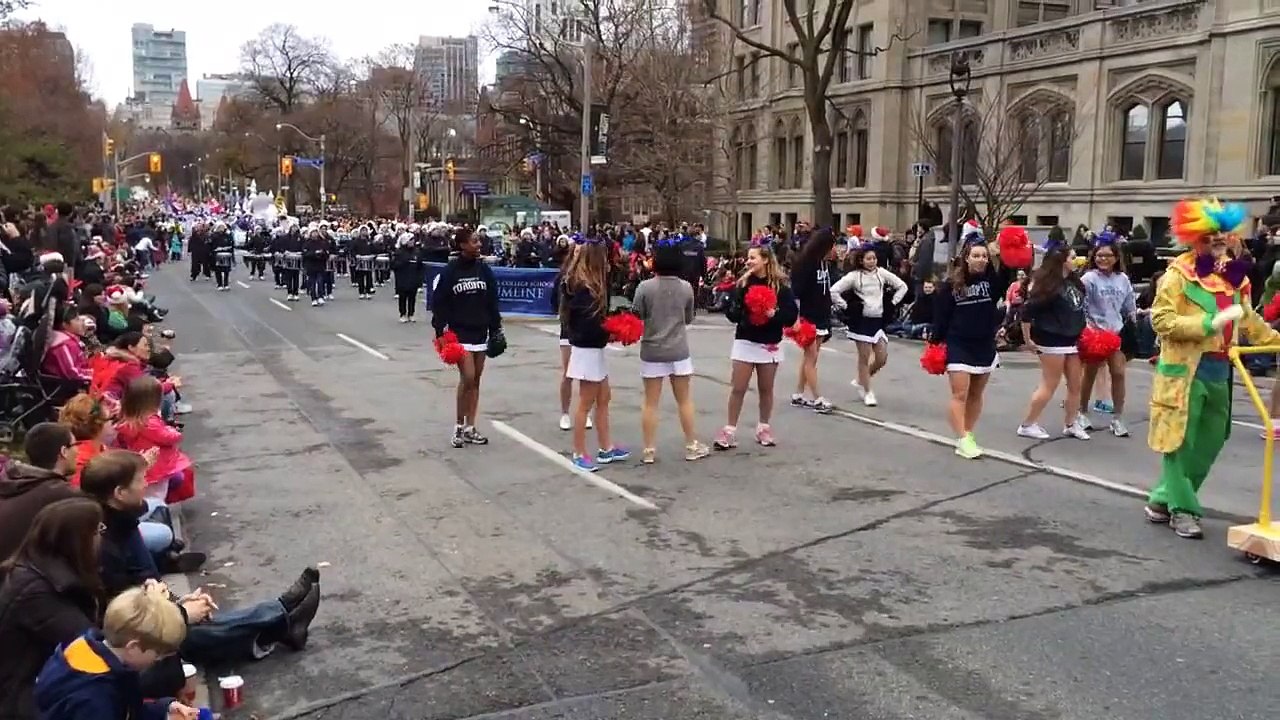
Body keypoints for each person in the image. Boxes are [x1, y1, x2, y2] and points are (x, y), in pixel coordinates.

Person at [79, 451, 323, 663]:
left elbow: (145, 578)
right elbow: (121, 614)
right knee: (186, 637)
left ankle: (282, 617)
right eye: (140, 480)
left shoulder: (123, 521)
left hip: (143, 609)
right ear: (120, 492)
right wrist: (180, 613)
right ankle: (282, 618)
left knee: (196, 623)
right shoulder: (102, 543)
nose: (145, 485)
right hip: (124, 633)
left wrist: (177, 601)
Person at [1144, 199, 1280, 539]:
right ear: (1194, 237)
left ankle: (1164, 497)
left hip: (1222, 370)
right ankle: (1183, 508)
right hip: (1185, 370)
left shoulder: (1234, 276)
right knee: (1179, 441)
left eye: (1221, 233)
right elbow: (1161, 321)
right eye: (1208, 235)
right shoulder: (1177, 275)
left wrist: (1274, 338)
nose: (1217, 239)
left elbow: (1249, 319)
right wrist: (1208, 322)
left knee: (1212, 439)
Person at [0, 498, 104, 720]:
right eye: (97, 531)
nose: (101, 537)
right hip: (21, 698)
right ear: (78, 541)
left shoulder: (40, 572)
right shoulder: (38, 594)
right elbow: (93, 647)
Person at [34, 586, 199, 720]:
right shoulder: (94, 700)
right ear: (133, 647)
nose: (157, 660)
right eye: (157, 654)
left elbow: (126, 709)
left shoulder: (86, 651)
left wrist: (164, 709)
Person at [631, 237, 709, 464]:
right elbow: (688, 318)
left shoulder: (644, 287)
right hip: (678, 349)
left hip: (652, 349)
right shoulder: (686, 287)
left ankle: (649, 449)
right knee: (684, 400)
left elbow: (637, 314)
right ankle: (691, 444)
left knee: (650, 402)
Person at [715, 243, 798, 450]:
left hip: (769, 343)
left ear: (766, 260)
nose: (748, 261)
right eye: (748, 258)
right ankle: (729, 430)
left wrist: (773, 314)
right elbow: (732, 315)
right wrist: (740, 305)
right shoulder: (743, 283)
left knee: (766, 389)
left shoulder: (781, 286)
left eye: (753, 258)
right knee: (738, 387)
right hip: (745, 340)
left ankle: (763, 427)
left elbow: (790, 317)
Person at [560, 236, 629, 471]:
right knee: (585, 404)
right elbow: (588, 326)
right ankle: (579, 452)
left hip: (593, 349)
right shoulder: (583, 289)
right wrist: (611, 333)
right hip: (587, 350)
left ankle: (606, 447)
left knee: (604, 398)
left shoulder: (589, 285)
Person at [431, 228, 503, 449]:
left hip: (481, 331)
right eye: (474, 241)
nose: (479, 245)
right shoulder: (450, 271)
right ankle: (458, 426)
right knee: (468, 377)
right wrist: (440, 331)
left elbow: (492, 300)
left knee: (476, 381)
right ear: (462, 245)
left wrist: (496, 328)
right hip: (460, 332)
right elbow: (439, 301)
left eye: (479, 241)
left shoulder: (484, 270)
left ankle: (471, 427)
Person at [932, 239, 1003, 459]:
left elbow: (1010, 273)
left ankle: (968, 434)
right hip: (958, 343)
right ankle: (962, 438)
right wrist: (936, 342)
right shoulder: (951, 284)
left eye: (984, 256)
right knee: (959, 393)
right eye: (976, 256)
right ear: (966, 258)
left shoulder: (992, 282)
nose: (980, 260)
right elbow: (942, 316)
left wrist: (1004, 252)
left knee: (976, 394)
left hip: (984, 343)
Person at [1017, 245, 1088, 440]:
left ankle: (1071, 423)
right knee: (1050, 383)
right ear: (1062, 260)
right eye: (1072, 257)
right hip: (1052, 339)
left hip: (1072, 339)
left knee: (1076, 384)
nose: (1076, 260)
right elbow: (1026, 312)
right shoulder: (1048, 286)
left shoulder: (1075, 282)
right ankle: (1027, 424)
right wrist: (1027, 339)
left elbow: (1079, 309)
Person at [830, 246, 907, 407]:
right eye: (868, 259)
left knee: (881, 357)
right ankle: (867, 391)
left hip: (878, 320)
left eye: (874, 258)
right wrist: (846, 306)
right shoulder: (854, 276)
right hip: (861, 322)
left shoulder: (882, 273)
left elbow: (902, 286)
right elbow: (834, 291)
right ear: (861, 260)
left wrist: (892, 303)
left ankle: (860, 380)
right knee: (864, 358)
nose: (872, 262)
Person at [1078, 236, 1138, 437]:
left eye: (1107, 255)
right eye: (1099, 255)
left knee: (1119, 373)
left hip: (1117, 332)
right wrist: (1088, 329)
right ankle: (1082, 412)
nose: (1102, 259)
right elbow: (1081, 305)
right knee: (1090, 374)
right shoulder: (1088, 279)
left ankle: (1117, 418)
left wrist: (1133, 321)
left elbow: (1130, 303)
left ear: (1116, 257)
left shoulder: (1122, 279)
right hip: (1095, 333)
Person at [0, 422, 77, 563]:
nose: (77, 451)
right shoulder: (64, 496)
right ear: (64, 451)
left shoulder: (9, 479)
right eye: (75, 445)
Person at [788, 227, 837, 413]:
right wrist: (796, 318)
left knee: (811, 358)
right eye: (833, 247)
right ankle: (817, 398)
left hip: (822, 316)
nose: (836, 250)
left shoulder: (826, 265)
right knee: (811, 357)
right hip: (808, 317)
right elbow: (796, 293)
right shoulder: (806, 264)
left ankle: (798, 394)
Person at [552, 245, 590, 433]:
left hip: (585, 331)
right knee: (568, 372)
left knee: (586, 374)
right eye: (576, 253)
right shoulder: (563, 277)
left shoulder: (592, 277)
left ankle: (585, 411)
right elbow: (554, 301)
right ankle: (565, 413)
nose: (578, 257)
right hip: (568, 330)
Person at [392, 233, 424, 323]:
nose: (412, 242)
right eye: (410, 240)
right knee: (402, 297)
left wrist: (420, 279)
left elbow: (420, 266)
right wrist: (404, 262)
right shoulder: (399, 252)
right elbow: (394, 265)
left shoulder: (417, 252)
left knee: (412, 297)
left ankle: (411, 314)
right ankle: (403, 314)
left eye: (413, 240)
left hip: (413, 277)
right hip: (402, 277)